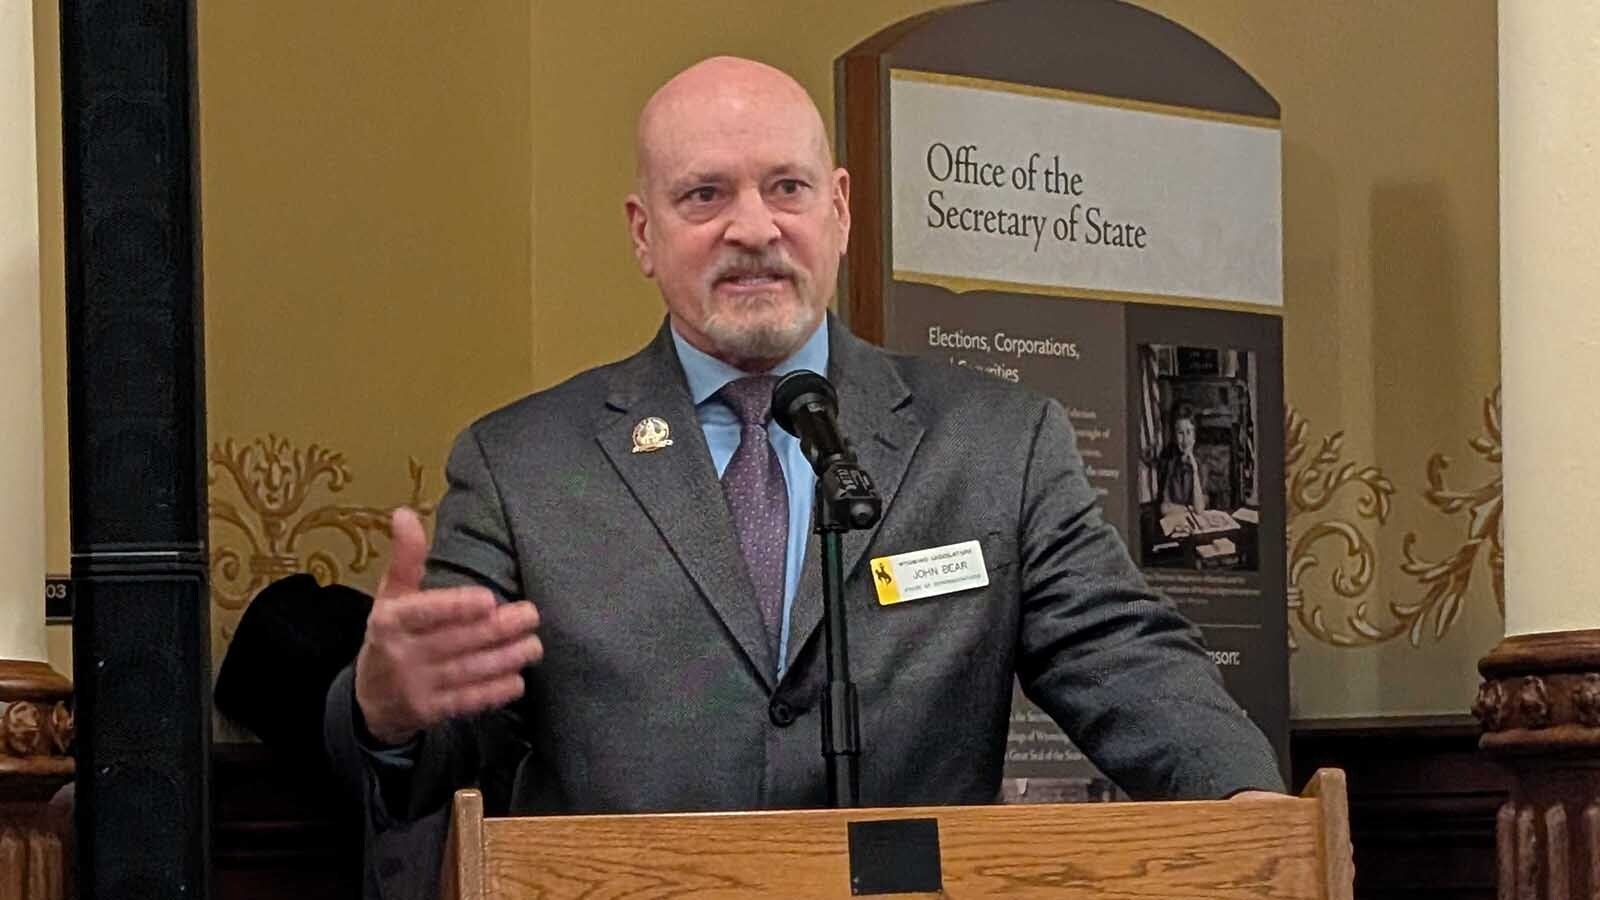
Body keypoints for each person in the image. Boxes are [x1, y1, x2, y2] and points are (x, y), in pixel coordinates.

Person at [323, 56, 1285, 900]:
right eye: (704, 196)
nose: (754, 228)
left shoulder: (998, 443)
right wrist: (386, 707)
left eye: (785, 188)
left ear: (840, 210)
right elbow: (436, 750)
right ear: (642, 233)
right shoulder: (524, 465)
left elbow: (1127, 658)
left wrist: (1257, 814)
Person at [1157, 405, 1210, 517]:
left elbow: (1199, 509)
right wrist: (1189, 508)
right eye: (1180, 433)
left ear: (1195, 435)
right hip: (1173, 521)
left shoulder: (1201, 462)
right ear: (1175, 436)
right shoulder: (1168, 459)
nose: (1185, 440)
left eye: (1189, 432)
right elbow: (1164, 508)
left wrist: (1195, 471)